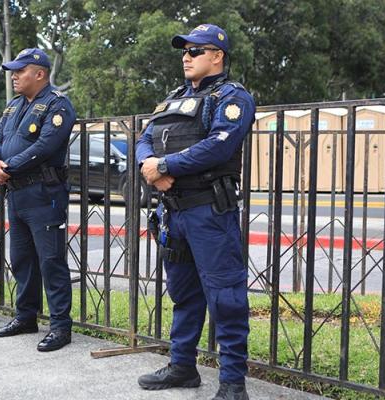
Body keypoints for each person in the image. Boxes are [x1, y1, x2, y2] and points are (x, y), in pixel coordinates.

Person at [135, 24, 256, 400]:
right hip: (174, 212)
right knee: (184, 294)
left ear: (217, 56)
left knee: (226, 298)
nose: (186, 57)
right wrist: (150, 168)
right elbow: (144, 139)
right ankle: (182, 366)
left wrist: (164, 166)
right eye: (184, 51)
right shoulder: (173, 98)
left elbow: (219, 146)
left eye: (195, 51)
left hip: (209, 212)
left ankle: (233, 384)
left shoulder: (232, 97)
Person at [0, 48, 77, 352]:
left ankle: (60, 326)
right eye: (13, 71)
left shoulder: (57, 104)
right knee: (21, 258)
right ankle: (26, 316)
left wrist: (8, 167)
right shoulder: (13, 106)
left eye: (20, 70)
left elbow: (46, 145)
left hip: (43, 193)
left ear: (39, 74)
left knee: (51, 260)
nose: (14, 76)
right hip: (17, 193)